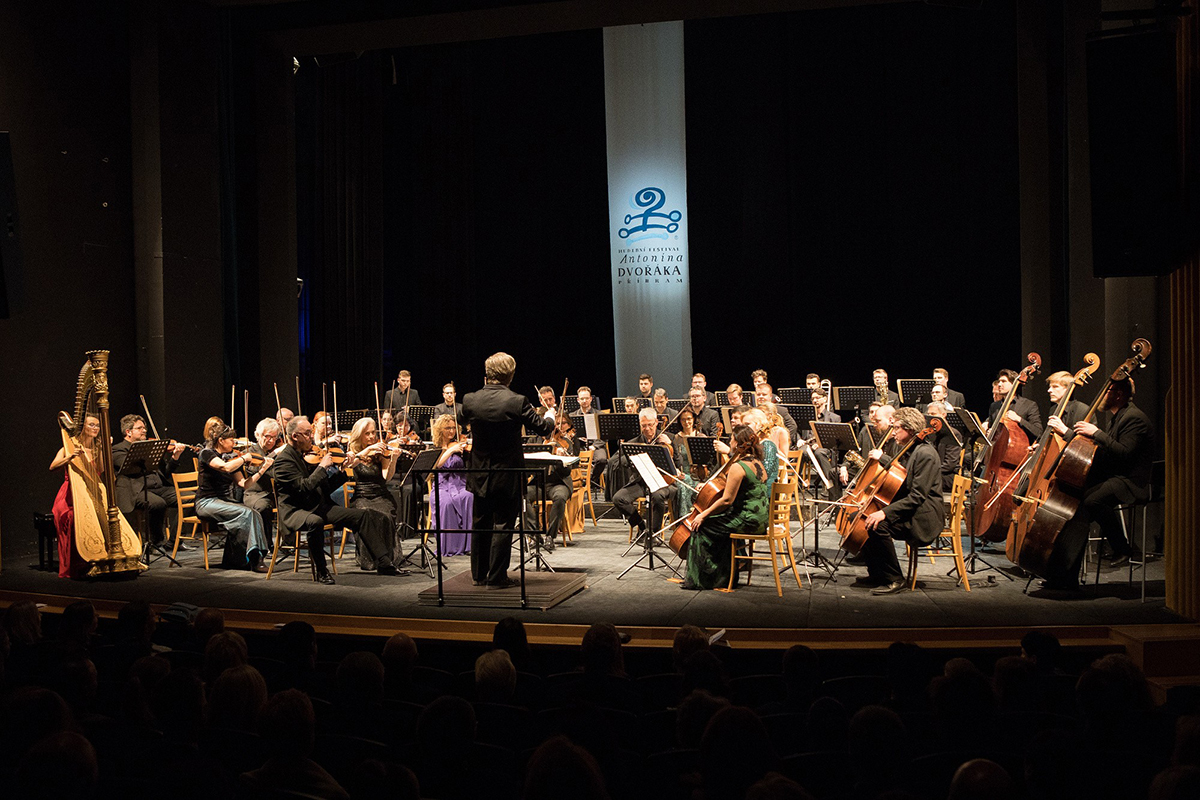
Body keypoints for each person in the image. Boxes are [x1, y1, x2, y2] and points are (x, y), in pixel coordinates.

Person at [1045, 377, 1154, 586]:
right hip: (1116, 477)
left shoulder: (1134, 418)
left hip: (1131, 482)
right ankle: (1064, 577)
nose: (1103, 395)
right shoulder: (1118, 417)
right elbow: (1105, 452)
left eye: (1107, 391)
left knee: (1091, 502)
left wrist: (1097, 433)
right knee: (1078, 509)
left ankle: (1122, 547)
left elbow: (1124, 454)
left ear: (1118, 394)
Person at [462, 352, 555, 588]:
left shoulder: (471, 399)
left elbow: (462, 419)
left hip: (479, 473)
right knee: (503, 523)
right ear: (510, 375)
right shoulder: (516, 401)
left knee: (480, 522)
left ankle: (479, 575)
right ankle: (497, 577)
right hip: (508, 474)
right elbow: (543, 429)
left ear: (488, 374)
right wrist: (552, 416)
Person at [274, 416, 404, 584]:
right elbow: (304, 487)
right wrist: (322, 467)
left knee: (362, 515)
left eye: (311, 432)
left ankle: (384, 562)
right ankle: (322, 571)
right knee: (315, 522)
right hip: (296, 510)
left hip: (315, 505)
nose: (311, 436)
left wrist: (343, 471)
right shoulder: (284, 461)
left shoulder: (306, 454)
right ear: (295, 436)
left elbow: (325, 487)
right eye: (307, 433)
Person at [857, 407, 945, 594]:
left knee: (877, 525)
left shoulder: (925, 454)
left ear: (910, 429)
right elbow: (903, 479)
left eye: (897, 428)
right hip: (913, 510)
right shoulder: (911, 450)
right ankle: (877, 574)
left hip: (924, 517)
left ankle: (895, 578)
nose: (893, 431)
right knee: (865, 518)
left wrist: (884, 512)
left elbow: (917, 497)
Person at [679, 425, 770, 590]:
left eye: (732, 439)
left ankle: (703, 579)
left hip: (747, 520)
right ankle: (723, 577)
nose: (730, 442)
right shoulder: (758, 463)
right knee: (719, 527)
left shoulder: (738, 466)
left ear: (738, 442)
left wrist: (703, 515)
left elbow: (727, 500)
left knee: (702, 527)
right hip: (762, 521)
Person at [194, 426, 272, 572]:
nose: (234, 443)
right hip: (206, 502)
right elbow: (225, 467)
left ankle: (248, 558)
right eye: (231, 440)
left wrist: (262, 469)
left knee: (254, 512)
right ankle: (254, 559)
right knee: (246, 513)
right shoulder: (207, 453)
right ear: (221, 441)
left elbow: (244, 484)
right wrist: (244, 458)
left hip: (224, 501)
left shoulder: (232, 459)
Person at [111, 414, 188, 547]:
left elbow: (166, 473)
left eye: (144, 427)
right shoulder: (118, 449)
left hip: (160, 488)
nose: (144, 430)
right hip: (138, 491)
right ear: (128, 432)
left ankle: (174, 541)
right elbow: (129, 468)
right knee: (158, 503)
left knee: (191, 498)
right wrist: (146, 455)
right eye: (139, 428)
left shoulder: (150, 446)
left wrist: (175, 457)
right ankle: (156, 541)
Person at [346, 417, 404, 572]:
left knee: (385, 514)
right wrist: (366, 451)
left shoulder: (381, 451)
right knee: (367, 514)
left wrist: (393, 460)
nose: (372, 437)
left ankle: (387, 558)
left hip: (381, 495)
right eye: (367, 434)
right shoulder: (353, 451)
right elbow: (349, 465)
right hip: (362, 496)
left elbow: (387, 476)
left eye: (373, 432)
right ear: (359, 435)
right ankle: (370, 559)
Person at [613, 408, 679, 545]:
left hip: (664, 482)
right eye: (644, 425)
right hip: (642, 482)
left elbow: (679, 463)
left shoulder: (669, 439)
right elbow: (617, 462)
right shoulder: (634, 442)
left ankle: (653, 534)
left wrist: (670, 445)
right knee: (619, 498)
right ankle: (643, 528)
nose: (647, 428)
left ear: (656, 422)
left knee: (657, 496)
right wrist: (631, 458)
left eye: (650, 424)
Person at [49, 413, 104, 579]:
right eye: (92, 425)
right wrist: (70, 456)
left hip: (90, 494)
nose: (95, 428)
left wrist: (102, 450)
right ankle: (75, 566)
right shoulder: (68, 448)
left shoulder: (96, 450)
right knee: (73, 517)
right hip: (68, 497)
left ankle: (96, 560)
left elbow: (100, 470)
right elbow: (52, 467)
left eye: (97, 425)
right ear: (82, 428)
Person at [524, 413, 579, 552]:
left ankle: (550, 536)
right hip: (539, 483)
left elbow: (567, 472)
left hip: (559, 483)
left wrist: (561, 460)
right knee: (521, 495)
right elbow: (528, 469)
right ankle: (535, 533)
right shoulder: (534, 441)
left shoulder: (566, 443)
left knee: (560, 497)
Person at [429, 413, 473, 557]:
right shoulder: (436, 447)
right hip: (442, 485)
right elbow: (436, 465)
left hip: (460, 483)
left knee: (469, 497)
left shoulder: (459, 445)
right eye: (448, 428)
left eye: (454, 428)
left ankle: (469, 545)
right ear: (440, 430)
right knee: (446, 503)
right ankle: (450, 546)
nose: (452, 431)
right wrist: (450, 451)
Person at [242, 417, 285, 542]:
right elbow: (255, 471)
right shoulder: (249, 453)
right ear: (258, 435)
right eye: (267, 436)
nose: (271, 440)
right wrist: (274, 454)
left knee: (292, 502)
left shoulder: (278, 453)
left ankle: (289, 543)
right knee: (264, 507)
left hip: (274, 493)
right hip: (256, 494)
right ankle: (266, 543)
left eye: (274, 437)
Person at [986, 368, 1043, 440]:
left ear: (1014, 384)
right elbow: (991, 427)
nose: (999, 384)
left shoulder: (1029, 405)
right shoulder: (994, 406)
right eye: (999, 381)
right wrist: (990, 432)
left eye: (1003, 381)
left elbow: (1039, 432)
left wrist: (1019, 419)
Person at [926, 401, 963, 492]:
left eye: (933, 414)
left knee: (923, 481)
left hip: (947, 476)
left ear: (943, 415)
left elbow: (949, 465)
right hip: (934, 472)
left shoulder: (954, 434)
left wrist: (929, 471)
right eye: (929, 414)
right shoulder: (930, 433)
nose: (931, 417)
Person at [1044, 370, 1092, 437]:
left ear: (1068, 388)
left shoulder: (1082, 410)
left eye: (1055, 386)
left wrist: (1064, 430)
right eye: (1050, 387)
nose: (1049, 390)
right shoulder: (1053, 409)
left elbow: (1084, 442)